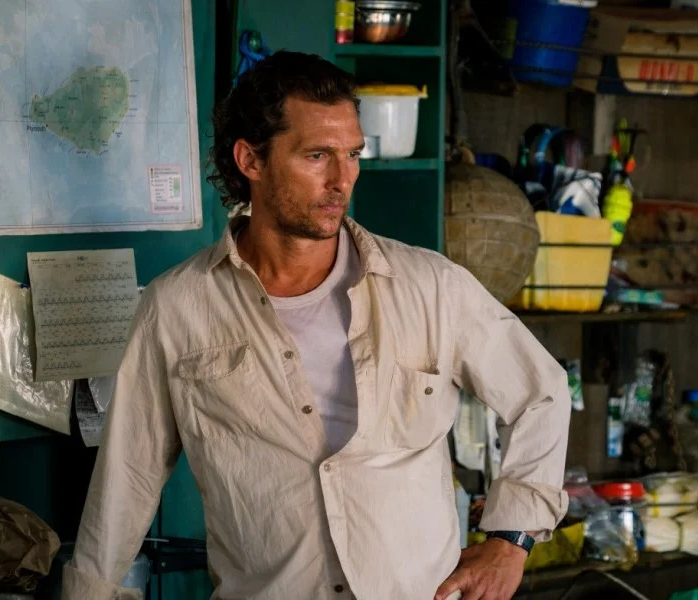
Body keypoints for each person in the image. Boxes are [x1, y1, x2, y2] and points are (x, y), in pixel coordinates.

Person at [62, 51, 570, 600]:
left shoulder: (431, 286)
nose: (342, 179)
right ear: (250, 160)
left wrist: (510, 541)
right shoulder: (177, 308)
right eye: (317, 155)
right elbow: (127, 477)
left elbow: (541, 392)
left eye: (353, 154)